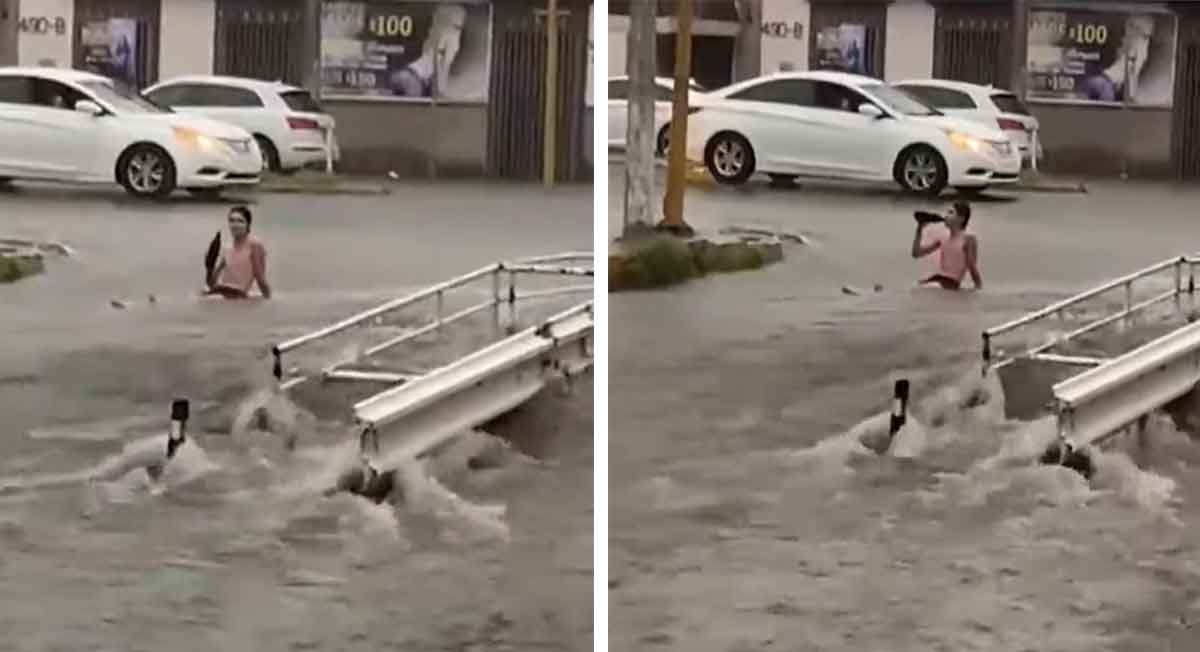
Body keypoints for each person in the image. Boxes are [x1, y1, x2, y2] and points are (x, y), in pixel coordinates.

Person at [911, 200, 982, 291]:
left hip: (952, 281)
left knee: (925, 289)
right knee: (913, 287)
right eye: (947, 212)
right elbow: (916, 253)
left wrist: (979, 287)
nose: (946, 216)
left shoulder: (968, 238)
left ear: (961, 218)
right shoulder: (943, 236)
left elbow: (971, 265)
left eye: (951, 212)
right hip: (938, 278)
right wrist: (919, 228)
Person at [205, 205, 271, 299]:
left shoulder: (254, 245)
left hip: (245, 295)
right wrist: (209, 265)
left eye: (240, 221)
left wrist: (268, 299)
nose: (235, 225)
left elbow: (260, 277)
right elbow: (211, 283)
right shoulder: (227, 247)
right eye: (232, 220)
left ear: (248, 224)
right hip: (226, 293)